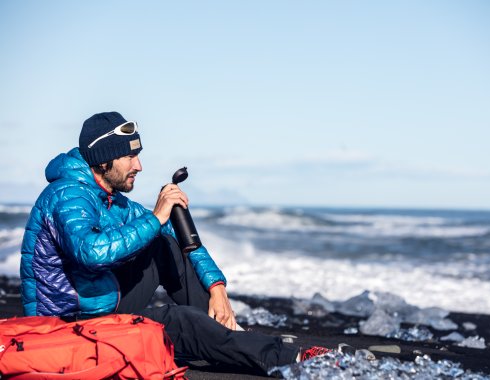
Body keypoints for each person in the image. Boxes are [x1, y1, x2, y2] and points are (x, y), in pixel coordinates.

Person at [20, 111, 329, 374]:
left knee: (164, 246)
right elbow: (90, 252)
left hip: (103, 303)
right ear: (103, 160)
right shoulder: (67, 195)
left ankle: (230, 334)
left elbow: (176, 241)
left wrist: (216, 288)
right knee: (181, 324)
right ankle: (294, 360)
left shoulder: (111, 200)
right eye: (130, 156)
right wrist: (156, 217)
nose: (138, 165)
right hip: (69, 326)